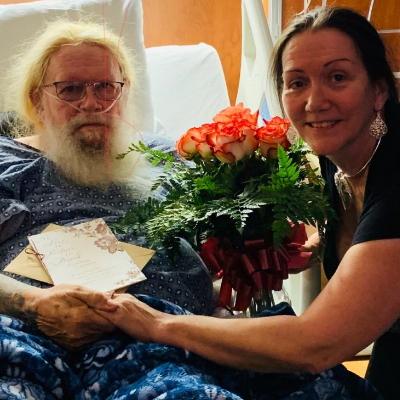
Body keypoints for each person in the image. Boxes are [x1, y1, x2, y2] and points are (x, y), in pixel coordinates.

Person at [88, 6, 400, 400]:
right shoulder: (341, 153)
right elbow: (371, 246)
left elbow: (315, 344)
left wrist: (158, 324)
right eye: (297, 82)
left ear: (379, 90)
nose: (314, 101)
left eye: (337, 77)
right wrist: (305, 250)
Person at [0, 18, 214, 355]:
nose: (91, 103)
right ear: (37, 100)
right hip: (34, 342)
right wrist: (33, 302)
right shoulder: (7, 161)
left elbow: (229, 240)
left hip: (174, 343)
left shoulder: (168, 157)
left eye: (105, 87)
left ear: (124, 91)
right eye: (70, 89)